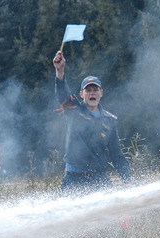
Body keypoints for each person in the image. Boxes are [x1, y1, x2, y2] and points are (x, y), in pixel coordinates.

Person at [52, 50, 131, 193]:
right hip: (74, 180)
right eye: (88, 90)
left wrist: (126, 180)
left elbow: (117, 155)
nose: (92, 93)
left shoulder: (109, 121)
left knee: (109, 215)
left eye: (95, 89)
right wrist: (60, 72)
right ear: (82, 94)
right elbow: (62, 94)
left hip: (99, 180)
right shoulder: (74, 110)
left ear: (101, 93)